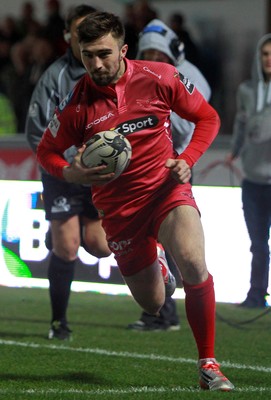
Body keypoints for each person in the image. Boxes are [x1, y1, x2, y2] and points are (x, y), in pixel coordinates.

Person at [36, 11, 234, 391]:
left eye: (104, 54)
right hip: (120, 213)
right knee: (153, 305)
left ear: (124, 49)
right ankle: (156, 261)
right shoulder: (75, 105)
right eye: (87, 55)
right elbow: (48, 152)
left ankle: (208, 364)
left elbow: (208, 118)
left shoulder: (160, 78)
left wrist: (186, 160)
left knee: (193, 262)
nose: (96, 63)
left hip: (165, 191)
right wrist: (69, 173)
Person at [25, 4, 111, 341]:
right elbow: (36, 132)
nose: (85, 40)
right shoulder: (54, 77)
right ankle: (59, 321)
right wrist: (65, 160)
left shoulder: (110, 73)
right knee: (69, 248)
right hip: (62, 173)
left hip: (97, 174)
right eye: (79, 34)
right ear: (68, 37)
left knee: (101, 246)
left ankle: (56, 236)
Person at [127, 18, 211, 331]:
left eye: (157, 55)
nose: (151, 60)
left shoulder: (189, 78)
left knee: (174, 241)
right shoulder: (150, 76)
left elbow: (188, 127)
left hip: (174, 168)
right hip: (150, 169)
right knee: (157, 241)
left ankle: (166, 312)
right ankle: (161, 310)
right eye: (146, 54)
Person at [226, 34, 271, 309]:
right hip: (253, 180)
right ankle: (256, 295)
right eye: (265, 53)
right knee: (257, 244)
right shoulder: (246, 90)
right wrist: (233, 153)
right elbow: (241, 126)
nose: (269, 59)